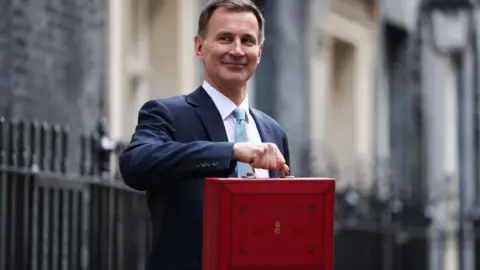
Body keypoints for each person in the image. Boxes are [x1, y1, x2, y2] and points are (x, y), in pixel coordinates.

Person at [119, 0, 291, 269]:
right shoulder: (166, 113)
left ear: (259, 51)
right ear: (199, 47)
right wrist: (230, 151)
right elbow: (135, 164)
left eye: (247, 41)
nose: (236, 50)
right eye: (225, 38)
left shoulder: (272, 131)